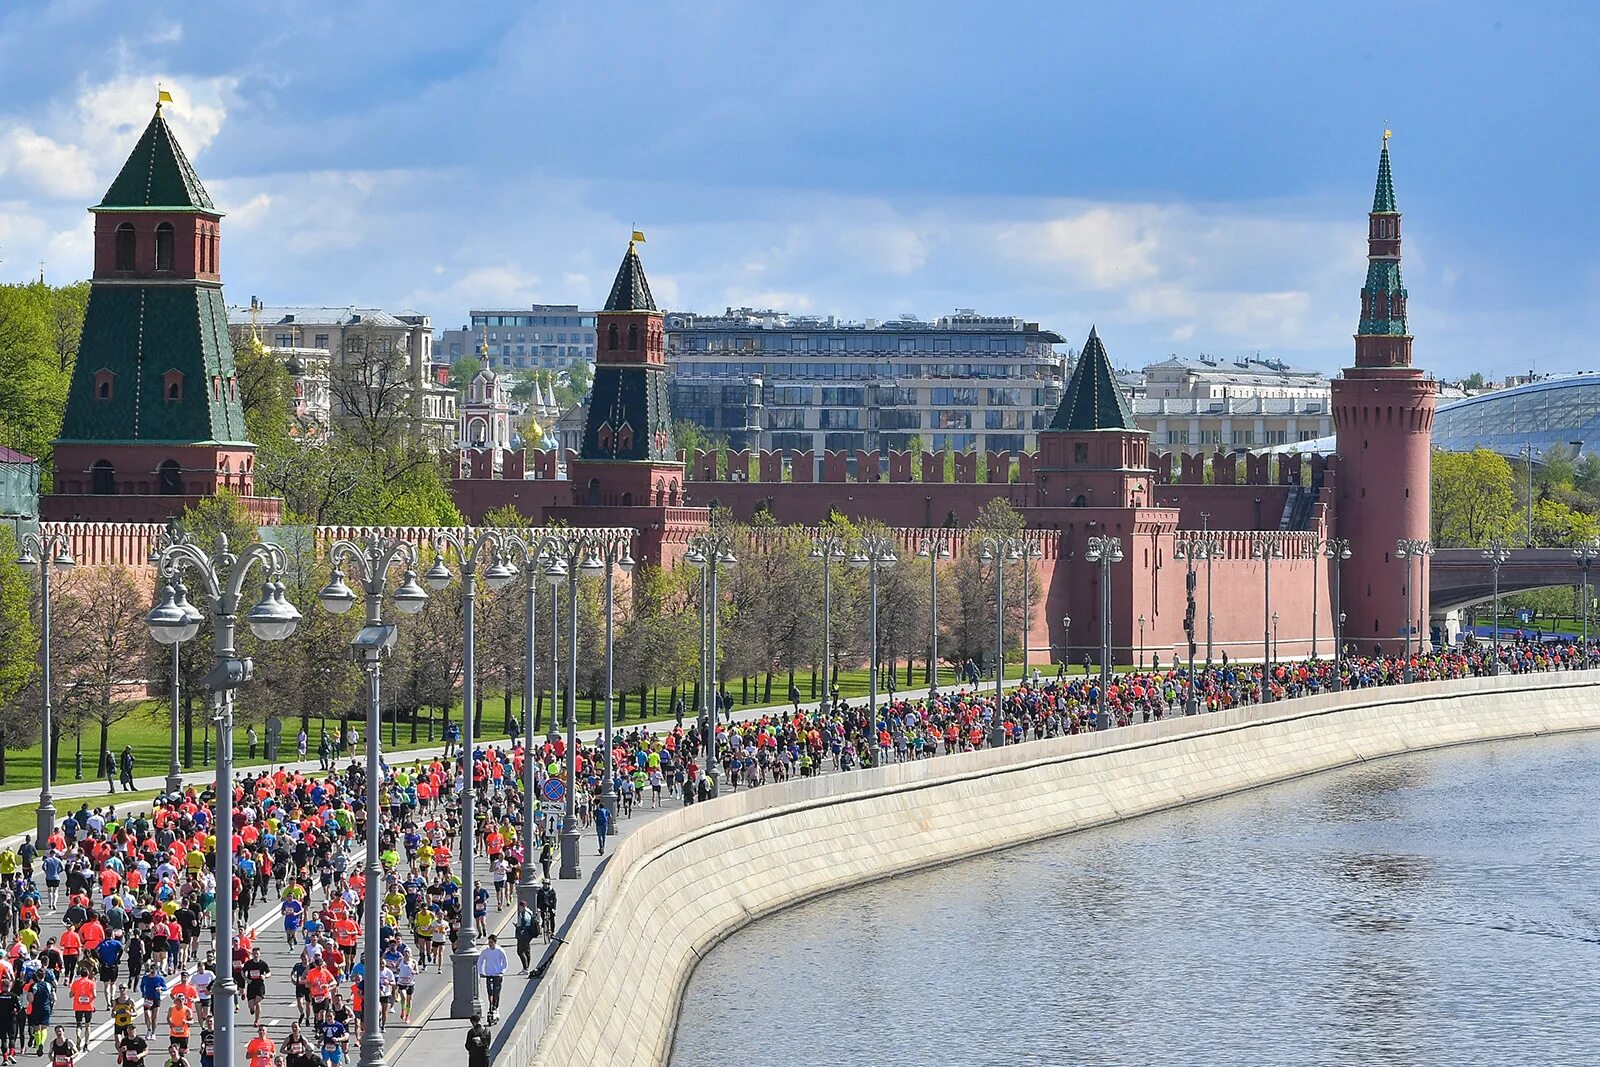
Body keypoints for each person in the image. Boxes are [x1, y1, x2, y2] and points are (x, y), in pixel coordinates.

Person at [475, 935, 507, 1023]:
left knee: (496, 992)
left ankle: (496, 1008)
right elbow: (480, 961)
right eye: (489, 942)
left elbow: (505, 962)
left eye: (491, 942)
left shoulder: (500, 950)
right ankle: (491, 1005)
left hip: (497, 975)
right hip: (489, 975)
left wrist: (502, 972)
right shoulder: (486, 951)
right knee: (490, 992)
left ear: (495, 942)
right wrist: (481, 972)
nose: (490, 944)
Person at [513, 903, 538, 972]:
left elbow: (525, 920)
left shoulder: (524, 913)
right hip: (529, 933)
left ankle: (525, 968)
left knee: (520, 951)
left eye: (520, 907)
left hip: (524, 934)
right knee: (527, 950)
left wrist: (522, 928)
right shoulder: (529, 911)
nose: (520, 908)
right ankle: (526, 967)